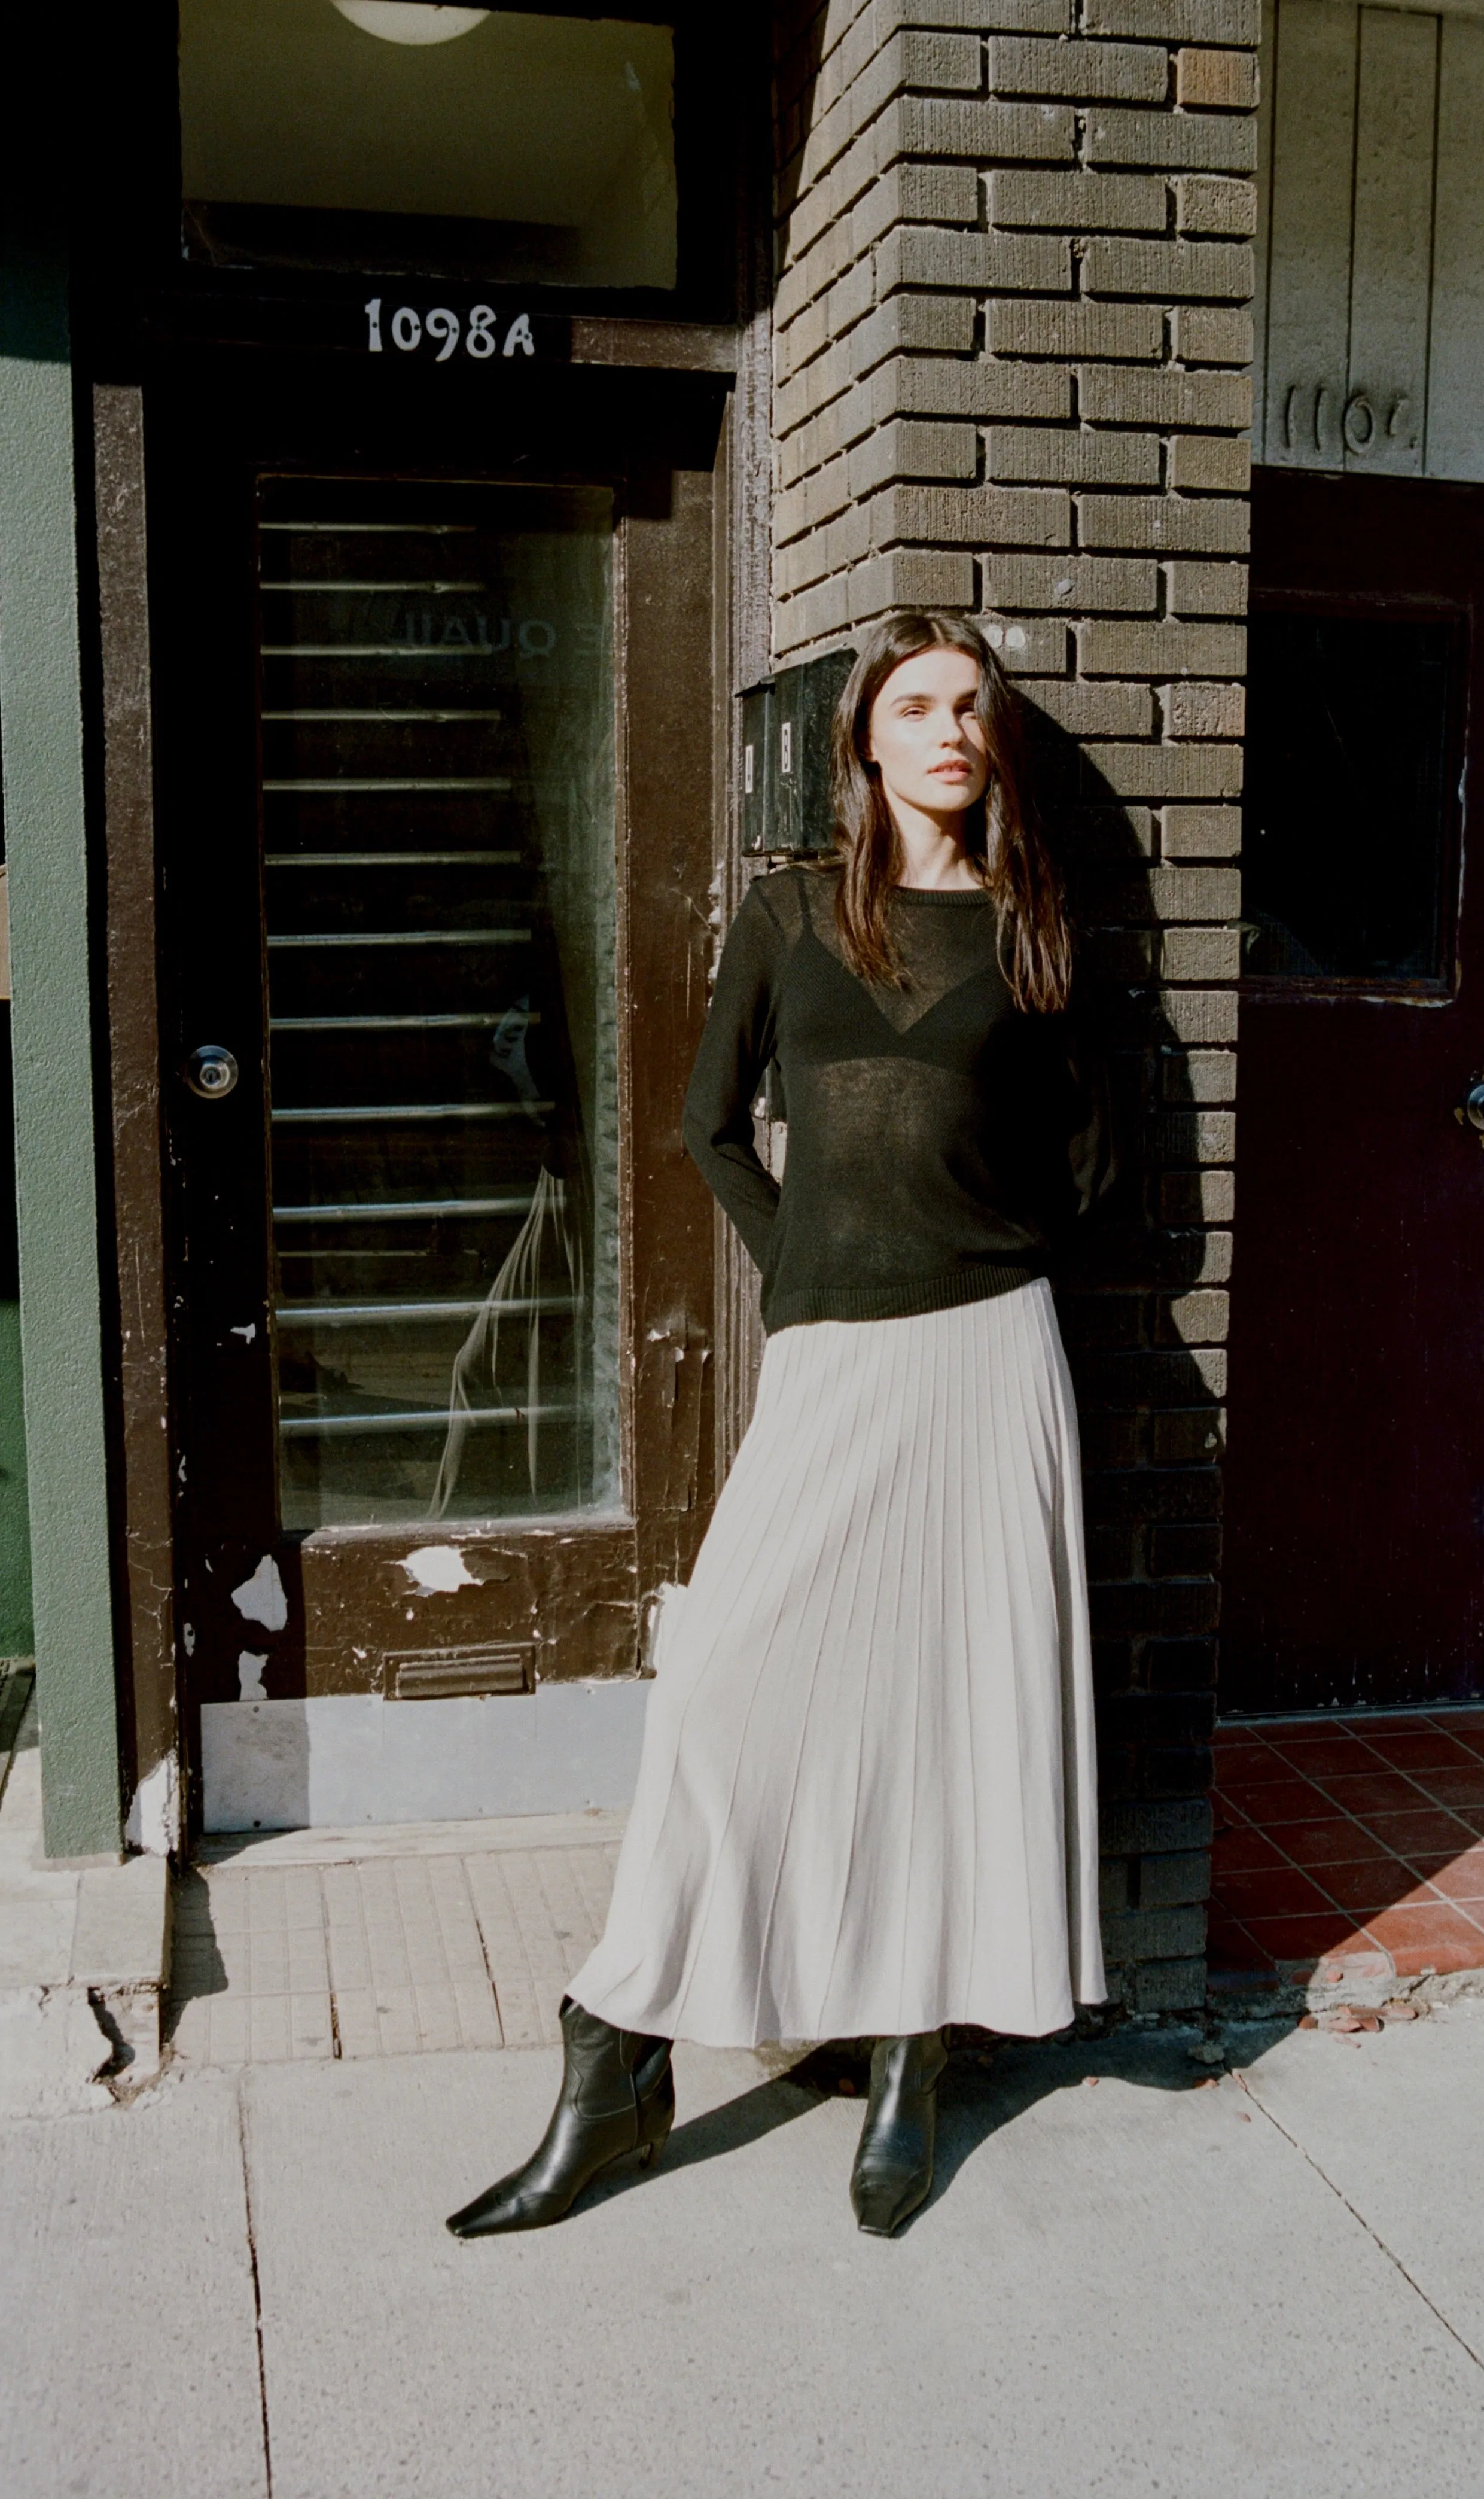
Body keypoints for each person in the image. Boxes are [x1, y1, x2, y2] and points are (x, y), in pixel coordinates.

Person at [447, 609, 1110, 2243]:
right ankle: (617, 2049)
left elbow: (1092, 1162)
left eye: (971, 704)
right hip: (834, 1359)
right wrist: (805, 1264)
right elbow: (703, 1125)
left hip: (988, 1355)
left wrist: (978, 1252)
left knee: (955, 1708)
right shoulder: (791, 912)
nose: (949, 727)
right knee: (729, 1679)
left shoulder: (1036, 928)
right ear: (866, 743)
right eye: (917, 705)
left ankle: (909, 2058)